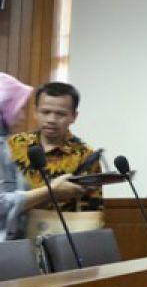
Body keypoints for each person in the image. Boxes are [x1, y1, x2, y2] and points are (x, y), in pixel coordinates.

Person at [0, 82, 102, 240]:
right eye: (45, 112)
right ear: (35, 112)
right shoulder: (13, 145)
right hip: (13, 238)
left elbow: (92, 211)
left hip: (62, 238)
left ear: (73, 116)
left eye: (60, 114)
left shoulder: (85, 155)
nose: (51, 119)